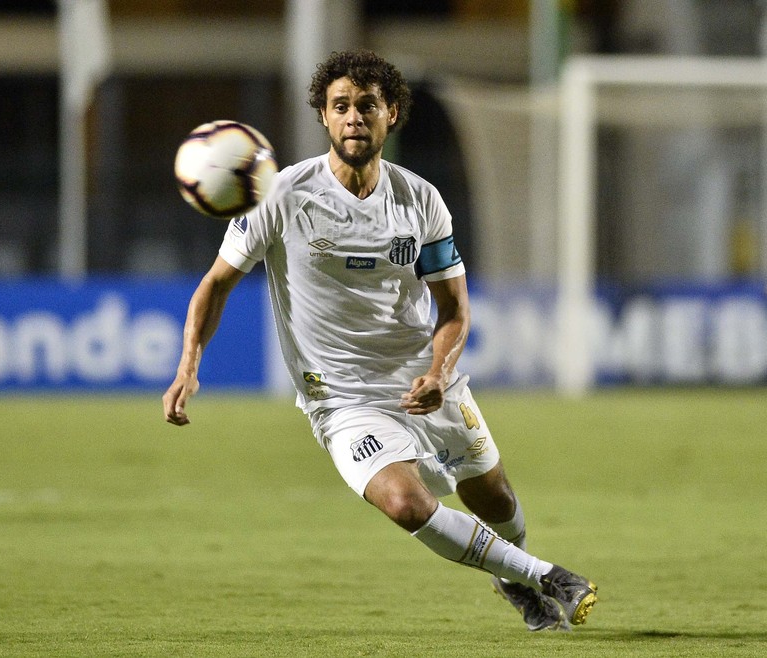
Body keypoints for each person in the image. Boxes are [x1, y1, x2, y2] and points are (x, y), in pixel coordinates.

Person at [162, 49, 597, 631]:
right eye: (340, 106)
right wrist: (189, 364)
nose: (353, 117)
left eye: (367, 105)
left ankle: (509, 568)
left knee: (495, 501)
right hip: (341, 399)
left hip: (424, 379)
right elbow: (214, 285)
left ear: (392, 113)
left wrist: (439, 374)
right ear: (323, 116)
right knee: (407, 503)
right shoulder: (282, 195)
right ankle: (544, 577)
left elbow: (454, 310)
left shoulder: (421, 201)